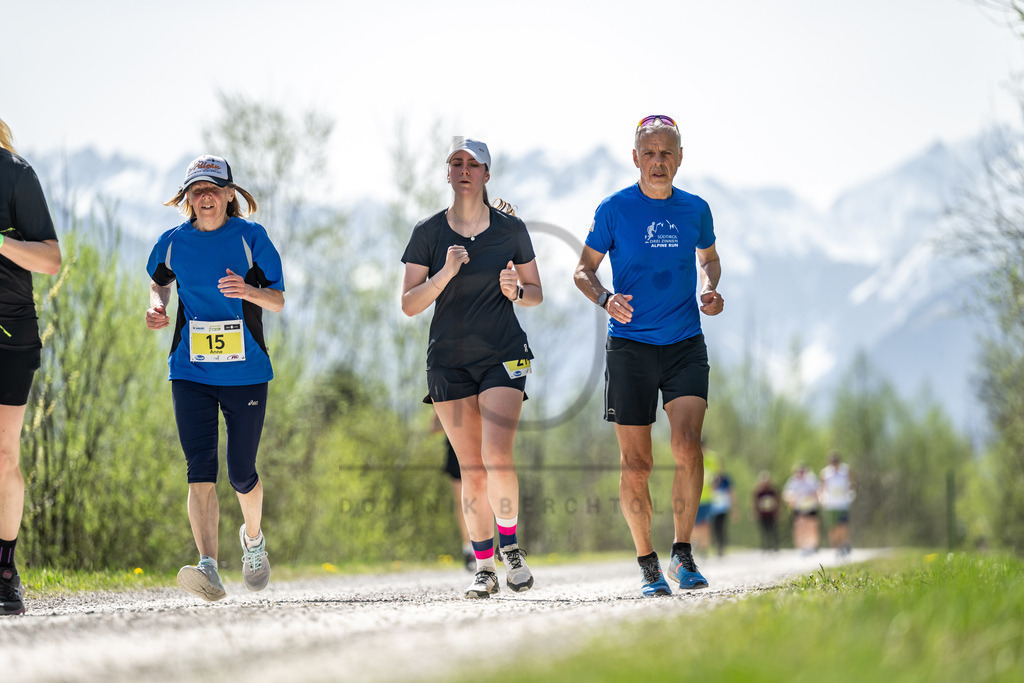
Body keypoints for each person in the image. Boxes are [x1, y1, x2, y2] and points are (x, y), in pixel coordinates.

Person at [573, 114, 724, 597]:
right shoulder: (614, 209)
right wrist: (605, 298)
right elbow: (582, 271)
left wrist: (711, 287)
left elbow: (710, 257)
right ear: (635, 158)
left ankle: (682, 553)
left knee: (687, 447)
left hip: (684, 343)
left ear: (680, 158)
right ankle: (647, 563)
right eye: (650, 153)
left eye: (667, 153)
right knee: (636, 465)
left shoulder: (696, 209)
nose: (658, 162)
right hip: (631, 346)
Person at [401, 137, 543, 599]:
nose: (463, 169)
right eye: (455, 163)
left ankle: (511, 548)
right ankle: (484, 568)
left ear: (486, 174)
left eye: (473, 164)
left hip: (504, 353)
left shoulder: (511, 229)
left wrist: (515, 292)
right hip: (448, 362)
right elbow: (408, 304)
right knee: (471, 469)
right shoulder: (427, 232)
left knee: (497, 456)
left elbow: (536, 292)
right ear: (447, 173)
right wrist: (443, 274)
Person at [145, 155, 284, 602]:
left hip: (246, 373)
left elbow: (278, 300)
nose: (204, 196)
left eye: (212, 188)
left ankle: (254, 541)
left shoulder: (250, 238)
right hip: (190, 371)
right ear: (186, 198)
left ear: (229, 194)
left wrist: (248, 291)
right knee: (199, 470)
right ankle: (208, 566)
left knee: (241, 472)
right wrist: (158, 305)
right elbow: (159, 280)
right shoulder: (171, 242)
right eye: (195, 190)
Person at [0, 117, 62, 616]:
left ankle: (4, 571)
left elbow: (50, 258)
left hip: (8, 333)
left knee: (3, 456)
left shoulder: (16, 174)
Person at [430, 413, 474, 570]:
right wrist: (452, 423)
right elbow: (434, 428)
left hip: (478, 445)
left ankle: (485, 547)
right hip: (455, 450)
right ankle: (469, 550)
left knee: (483, 500)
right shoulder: (446, 389)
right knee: (463, 503)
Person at [819, 451, 855, 556]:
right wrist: (821, 498)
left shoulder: (845, 470)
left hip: (843, 503)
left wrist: (850, 493)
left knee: (842, 525)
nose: (834, 463)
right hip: (830, 504)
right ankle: (837, 547)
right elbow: (821, 488)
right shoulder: (825, 473)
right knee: (833, 527)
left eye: (836, 461)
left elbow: (852, 483)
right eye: (832, 461)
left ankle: (844, 543)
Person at [782, 463, 820, 555]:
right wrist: (791, 499)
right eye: (799, 472)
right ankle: (802, 546)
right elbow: (786, 494)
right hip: (798, 507)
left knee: (811, 527)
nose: (801, 474)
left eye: (803, 471)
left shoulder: (812, 480)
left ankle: (812, 545)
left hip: (810, 507)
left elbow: (819, 492)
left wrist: (813, 497)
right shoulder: (792, 482)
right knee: (799, 527)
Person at [709, 459, 734, 557]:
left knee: (722, 528)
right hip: (712, 508)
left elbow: (731, 493)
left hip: (723, 508)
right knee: (714, 528)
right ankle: (715, 546)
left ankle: (721, 547)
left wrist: (733, 507)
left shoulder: (726, 480)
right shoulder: (710, 479)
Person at [752, 470, 781, 552]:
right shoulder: (758, 492)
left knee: (773, 530)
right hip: (762, 514)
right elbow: (755, 503)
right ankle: (765, 547)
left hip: (772, 513)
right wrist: (755, 512)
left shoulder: (773, 491)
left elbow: (777, 502)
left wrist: (778, 512)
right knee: (764, 531)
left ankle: (775, 546)